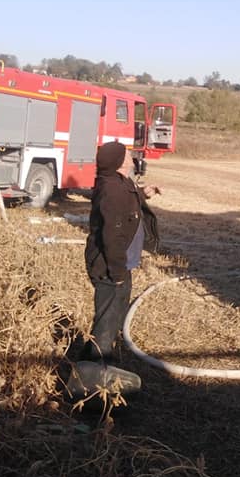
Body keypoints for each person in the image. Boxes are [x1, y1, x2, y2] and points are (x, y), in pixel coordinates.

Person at [79, 142, 160, 387]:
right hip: (110, 267)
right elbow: (111, 236)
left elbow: (130, 191)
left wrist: (144, 192)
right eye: (126, 155)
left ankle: (88, 363)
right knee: (107, 321)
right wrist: (116, 272)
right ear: (118, 162)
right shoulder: (111, 191)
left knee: (113, 317)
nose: (131, 157)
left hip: (122, 265)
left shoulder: (120, 182)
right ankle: (93, 382)